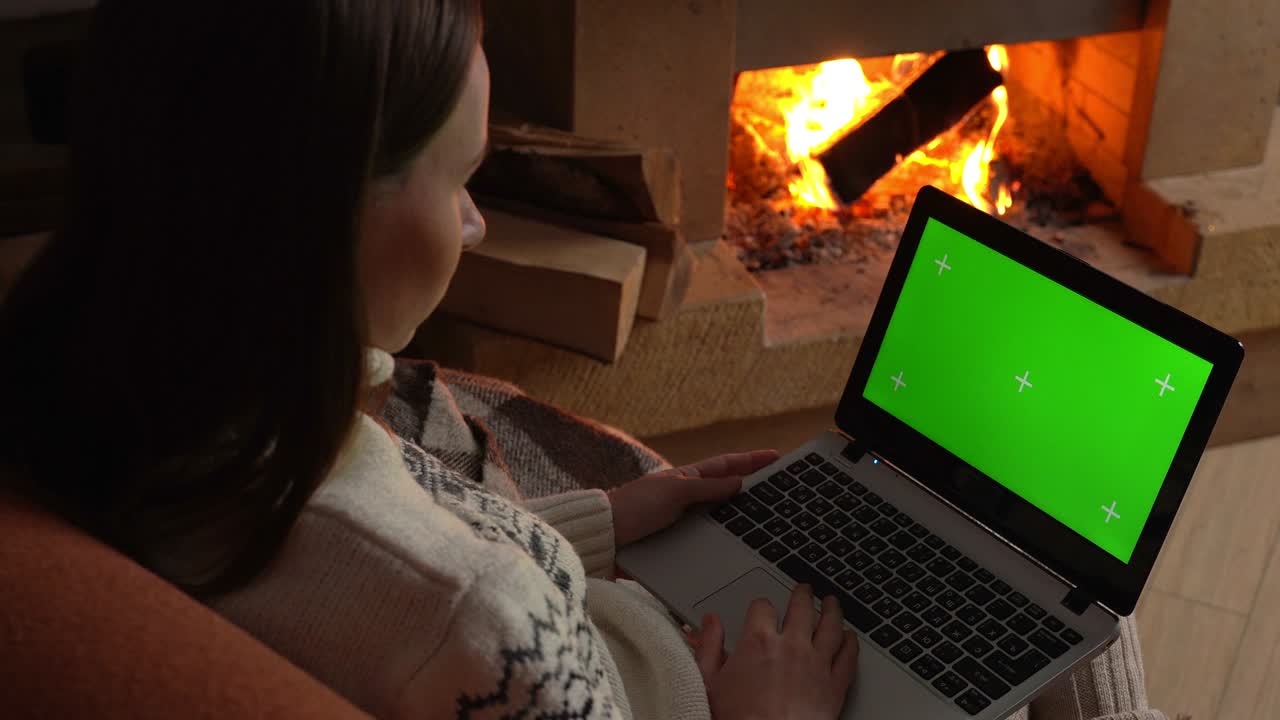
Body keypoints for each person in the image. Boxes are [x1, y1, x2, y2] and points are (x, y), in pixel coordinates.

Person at [0, 1, 859, 718]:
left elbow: (365, 583)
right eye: (459, 181)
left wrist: (604, 520)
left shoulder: (162, 398)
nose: (478, 222)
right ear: (326, 222)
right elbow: (454, 613)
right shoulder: (479, 619)